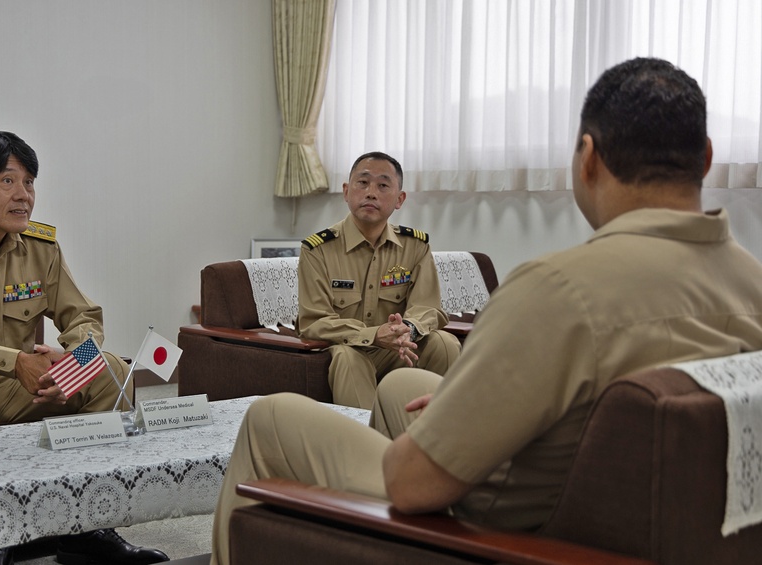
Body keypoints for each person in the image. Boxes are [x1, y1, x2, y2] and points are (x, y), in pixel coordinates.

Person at [209, 57, 762, 565]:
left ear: (588, 158)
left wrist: (447, 430)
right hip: (632, 505)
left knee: (270, 416)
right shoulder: (752, 285)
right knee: (405, 388)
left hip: (504, 525)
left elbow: (414, 484)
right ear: (706, 158)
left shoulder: (556, 289)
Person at [0, 131, 167, 565]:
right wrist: (14, 360)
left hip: (17, 387)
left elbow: (83, 318)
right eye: (7, 181)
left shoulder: (41, 245)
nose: (24, 196)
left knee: (106, 366)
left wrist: (71, 365)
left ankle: (86, 524)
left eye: (30, 183)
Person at [297, 151, 461, 409]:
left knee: (444, 343)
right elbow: (315, 322)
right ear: (346, 191)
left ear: (400, 199)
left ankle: (436, 439)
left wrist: (409, 328)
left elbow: (429, 308)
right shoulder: (318, 250)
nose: (371, 192)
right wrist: (374, 335)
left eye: (383, 185)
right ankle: (368, 445)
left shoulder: (415, 246)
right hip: (348, 348)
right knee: (348, 359)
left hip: (397, 351)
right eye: (362, 183)